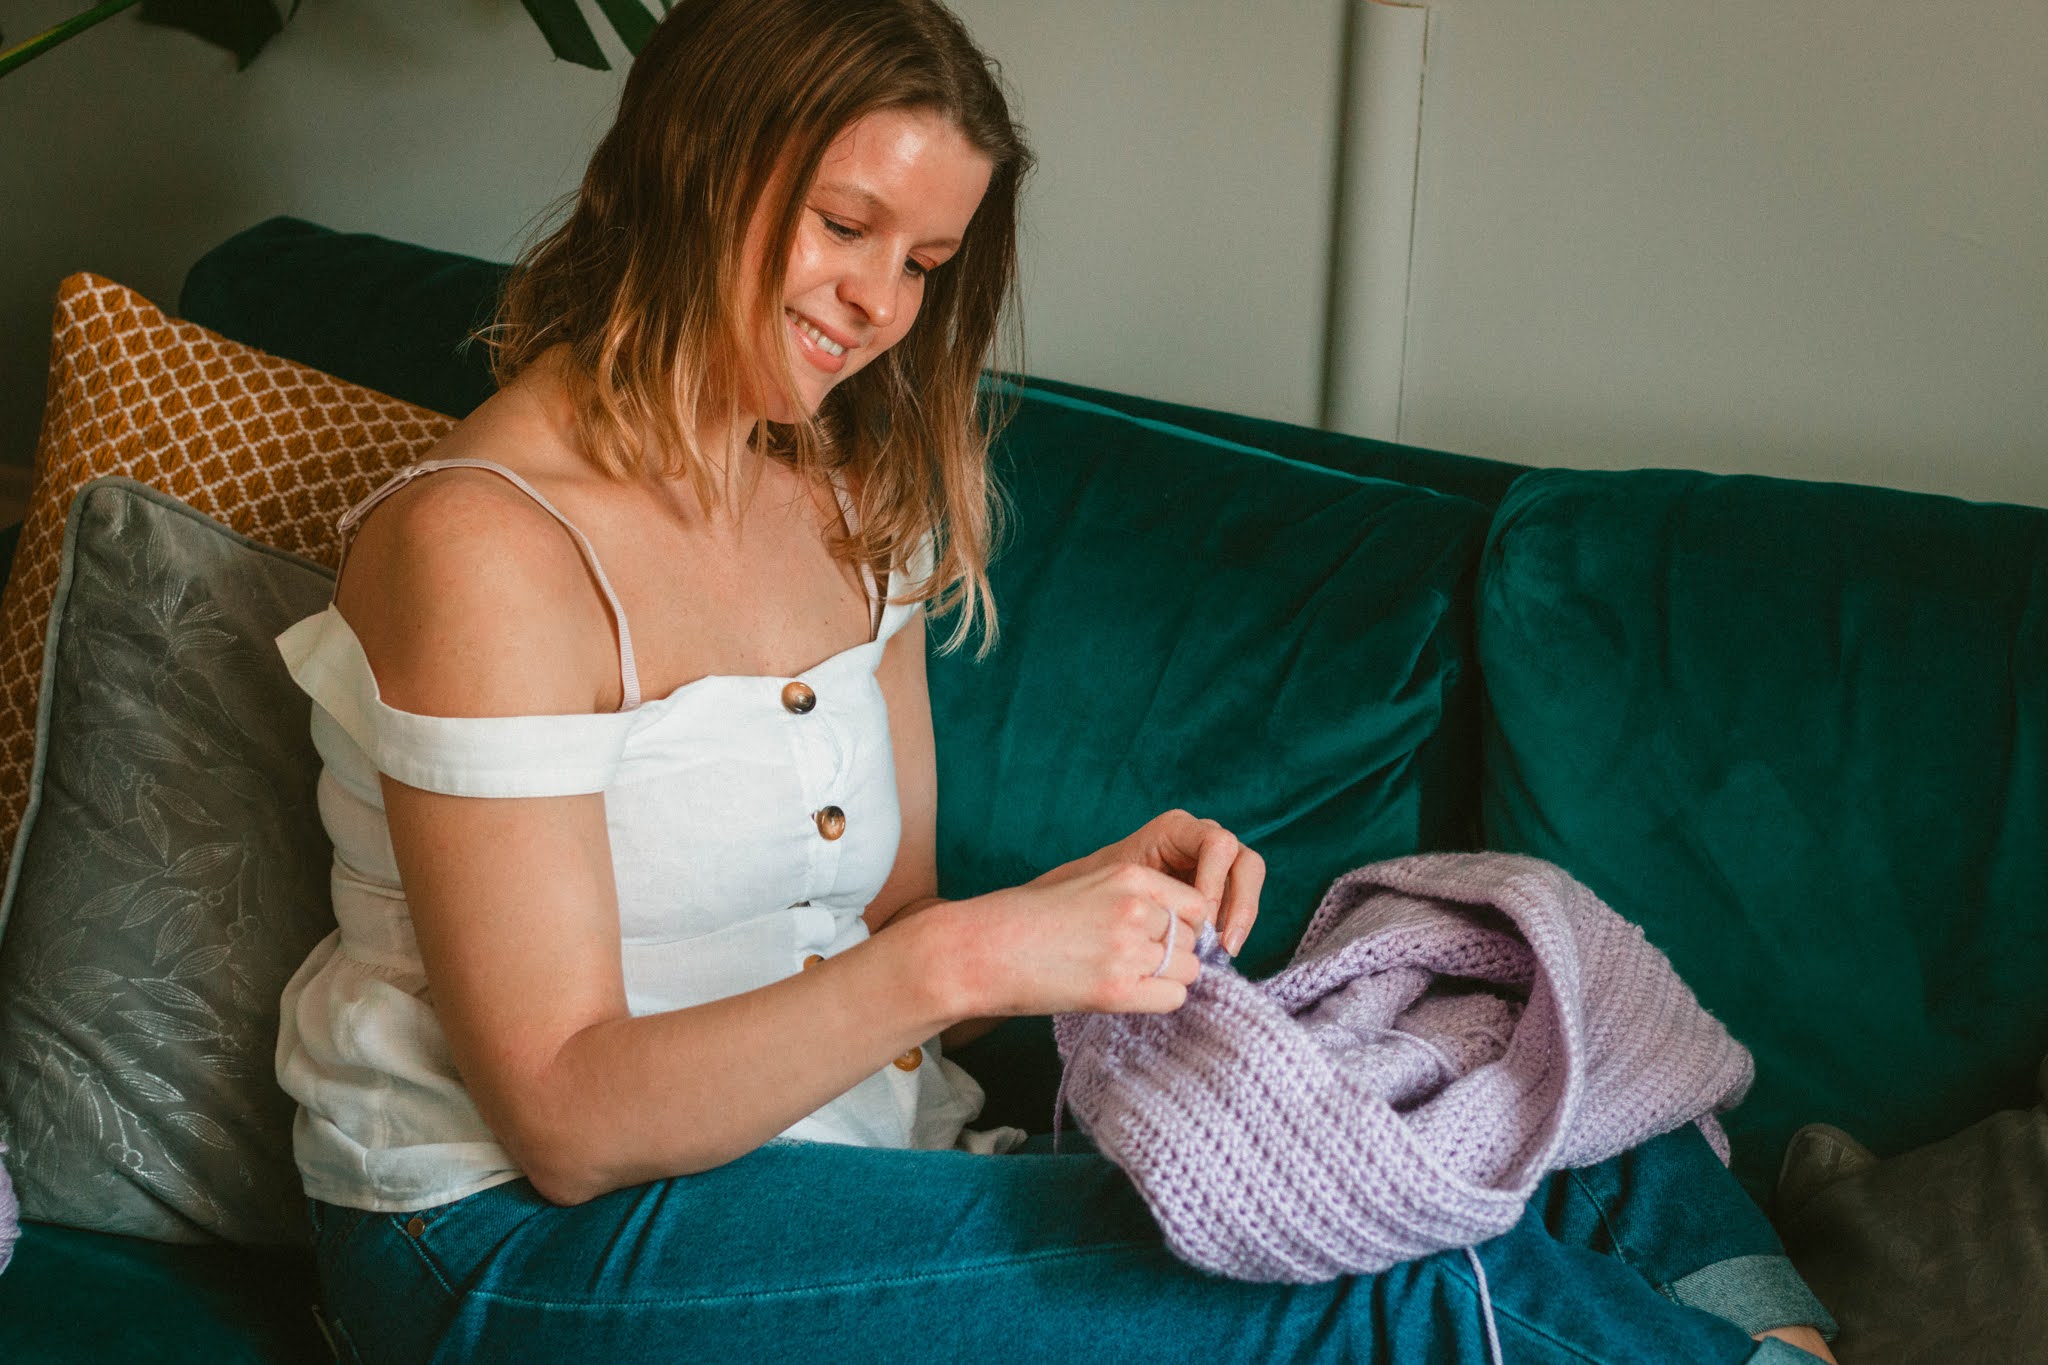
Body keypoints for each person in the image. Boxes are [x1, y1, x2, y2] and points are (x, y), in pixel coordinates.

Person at [272, 1, 1840, 1359]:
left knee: (1491, 1040)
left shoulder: (835, 500)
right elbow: (564, 1118)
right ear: (693, 162)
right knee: (1393, 1297)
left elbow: (877, 927)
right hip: (502, 1249)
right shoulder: (488, 547)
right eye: (842, 223)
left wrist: (1082, 909)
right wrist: (973, 958)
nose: (877, 304)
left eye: (926, 262)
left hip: (841, 1158)